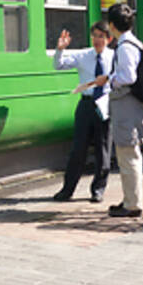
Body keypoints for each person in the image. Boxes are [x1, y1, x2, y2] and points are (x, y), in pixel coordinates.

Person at [94, 3, 143, 218]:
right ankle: (131, 199)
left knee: (128, 156)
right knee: (130, 155)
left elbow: (128, 77)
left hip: (126, 107)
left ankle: (132, 205)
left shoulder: (125, 47)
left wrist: (109, 79)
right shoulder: (133, 43)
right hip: (131, 106)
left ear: (113, 25)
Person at [52, 21, 114, 203]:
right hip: (86, 104)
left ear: (108, 39)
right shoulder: (83, 55)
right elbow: (59, 65)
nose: (97, 40)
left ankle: (98, 190)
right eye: (94, 35)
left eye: (101, 36)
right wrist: (60, 49)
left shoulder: (115, 56)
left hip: (105, 105)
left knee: (103, 149)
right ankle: (67, 189)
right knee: (78, 149)